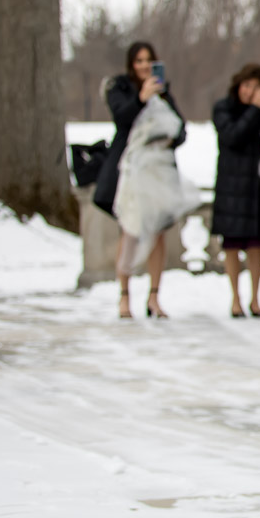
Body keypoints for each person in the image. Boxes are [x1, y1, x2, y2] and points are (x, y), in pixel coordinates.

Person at [94, 41, 187, 319]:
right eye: (139, 61)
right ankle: (124, 296)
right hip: (130, 170)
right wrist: (142, 98)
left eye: (149, 60)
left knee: (158, 233)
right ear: (131, 64)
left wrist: (170, 137)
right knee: (130, 231)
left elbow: (181, 129)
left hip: (157, 171)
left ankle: (154, 297)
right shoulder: (119, 87)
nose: (145, 65)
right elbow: (121, 118)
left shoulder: (163, 92)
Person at [213, 63, 260, 318]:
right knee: (231, 245)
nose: (249, 91)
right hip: (231, 186)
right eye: (246, 85)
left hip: (256, 185)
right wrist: (254, 110)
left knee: (256, 246)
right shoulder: (224, 108)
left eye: (255, 87)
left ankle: (255, 299)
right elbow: (233, 136)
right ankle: (235, 299)